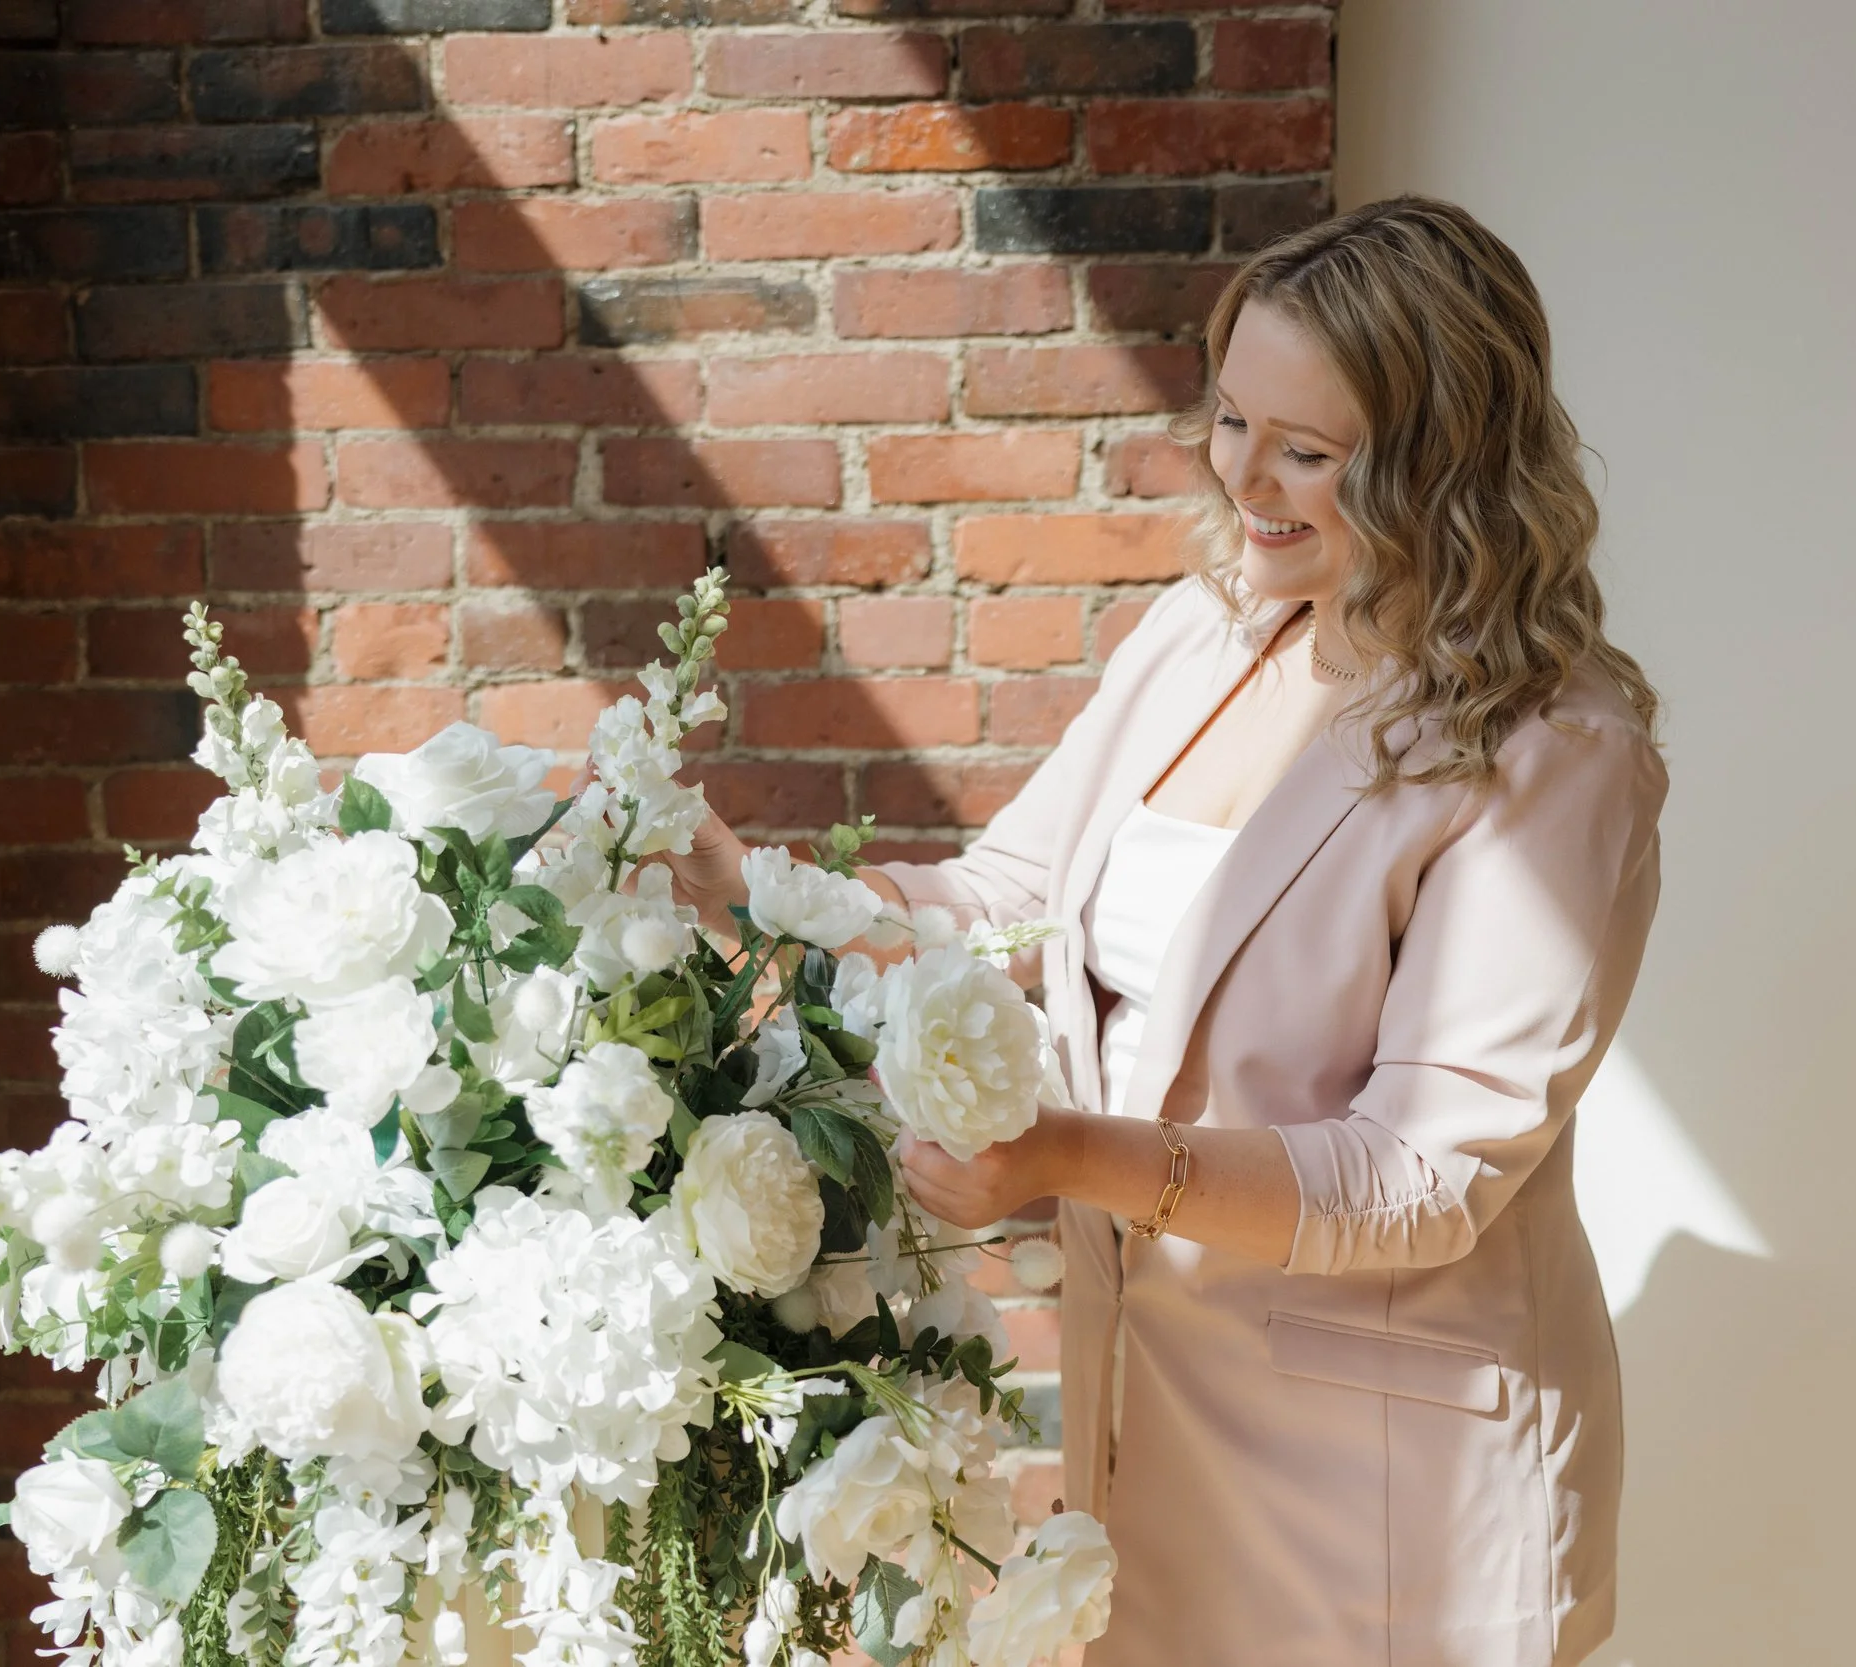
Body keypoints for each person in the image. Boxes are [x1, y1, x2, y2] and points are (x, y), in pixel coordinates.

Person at [665, 195, 1667, 1667]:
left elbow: (1420, 1173)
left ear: (1440, 467)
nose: (1248, 480)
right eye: (1232, 419)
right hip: (1155, 1435)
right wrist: (759, 889)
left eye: (1308, 453)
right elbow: (1012, 896)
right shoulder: (1210, 628)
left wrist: (1063, 1155)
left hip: (1395, 1493)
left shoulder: (1554, 755)